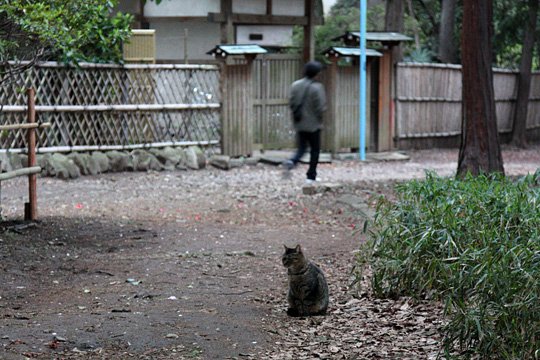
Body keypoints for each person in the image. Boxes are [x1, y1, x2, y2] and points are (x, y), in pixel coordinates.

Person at [283, 61, 327, 184]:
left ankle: (293, 160)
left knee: (301, 148)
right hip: (314, 125)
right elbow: (321, 107)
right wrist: (319, 119)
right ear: (316, 73)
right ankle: (311, 176)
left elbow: (291, 103)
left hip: (299, 123)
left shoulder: (295, 85)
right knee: (315, 150)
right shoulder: (317, 87)